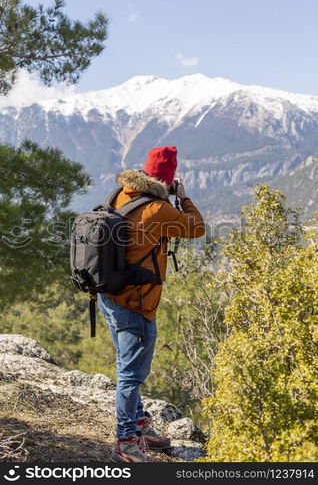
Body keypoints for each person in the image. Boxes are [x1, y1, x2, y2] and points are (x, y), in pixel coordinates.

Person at [97, 145, 205, 462]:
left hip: (109, 295)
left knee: (126, 366)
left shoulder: (121, 194)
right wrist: (183, 197)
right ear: (169, 180)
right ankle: (125, 443)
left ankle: (140, 424)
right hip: (137, 305)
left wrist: (165, 195)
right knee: (130, 375)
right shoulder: (158, 210)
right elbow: (196, 227)